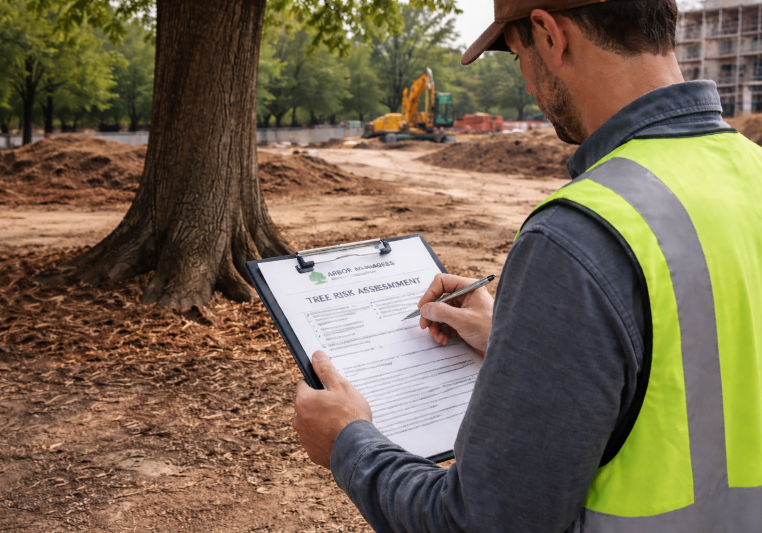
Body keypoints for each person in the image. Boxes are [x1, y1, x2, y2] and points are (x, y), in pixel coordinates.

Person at [291, 0, 762, 530]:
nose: (531, 89)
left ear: (547, 34)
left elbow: (481, 521)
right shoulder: (752, 172)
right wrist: (532, 344)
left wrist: (349, 444)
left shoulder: (578, 234)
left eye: (518, 57)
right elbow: (711, 356)